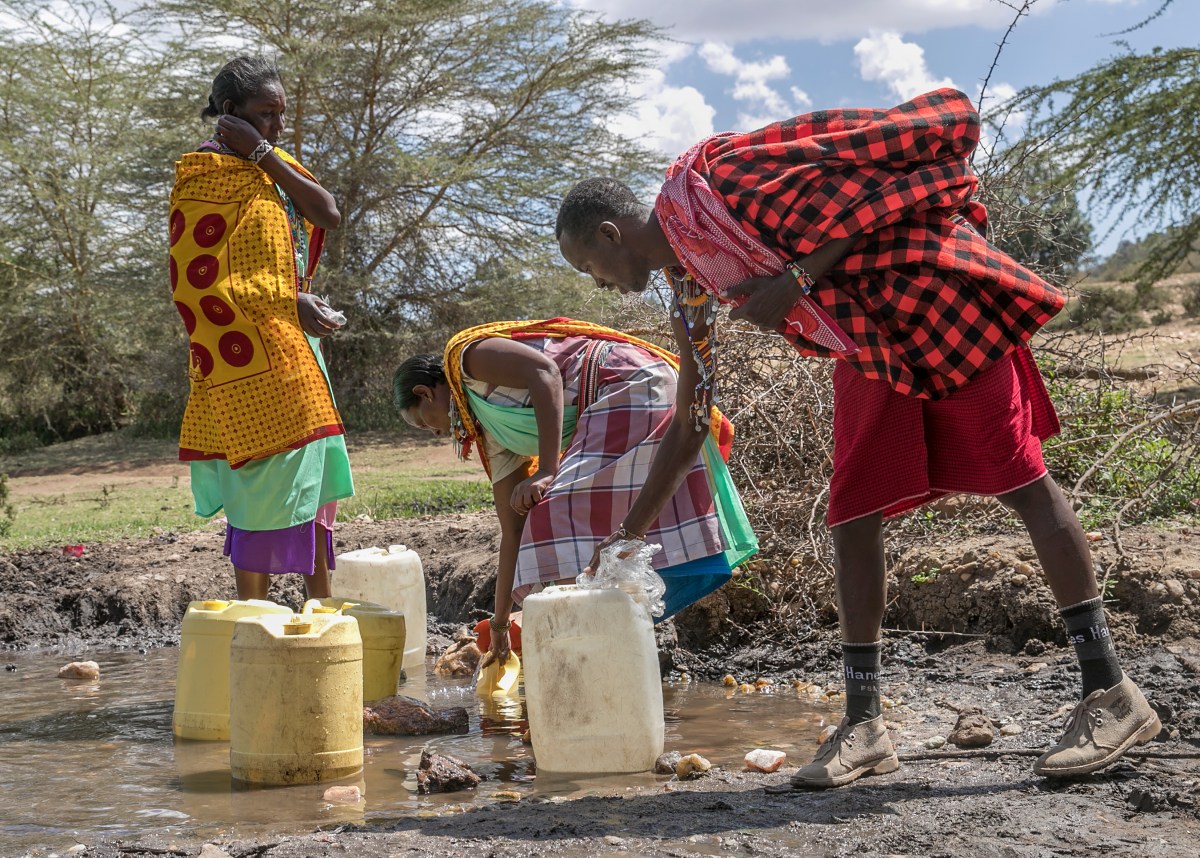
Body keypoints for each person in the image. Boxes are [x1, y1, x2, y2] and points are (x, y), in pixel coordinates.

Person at [555, 88, 1161, 788]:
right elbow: (693, 416)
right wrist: (627, 535)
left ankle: (1112, 693)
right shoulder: (690, 279)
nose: (600, 286)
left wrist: (797, 278)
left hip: (934, 295)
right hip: (870, 345)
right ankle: (865, 727)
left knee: (1021, 481)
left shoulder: (721, 180)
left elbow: (880, 189)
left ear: (610, 235)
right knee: (852, 512)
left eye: (589, 269)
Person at [394, 318, 757, 668]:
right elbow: (514, 529)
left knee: (556, 514)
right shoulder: (494, 432)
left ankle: (589, 642)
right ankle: (604, 638)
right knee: (550, 524)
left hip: (629, 382)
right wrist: (500, 623)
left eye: (422, 422)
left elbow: (545, 373)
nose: (433, 432)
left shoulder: (467, 358)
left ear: (424, 393)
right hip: (620, 400)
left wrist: (548, 471)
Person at [169, 57, 353, 601]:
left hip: (295, 349)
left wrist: (262, 152)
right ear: (231, 111)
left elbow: (327, 213)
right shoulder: (203, 175)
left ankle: (320, 611)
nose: (278, 124)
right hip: (244, 357)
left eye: (281, 114)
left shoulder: (272, 165)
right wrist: (287, 301)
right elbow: (196, 282)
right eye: (267, 114)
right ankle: (253, 615)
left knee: (311, 477)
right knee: (260, 482)